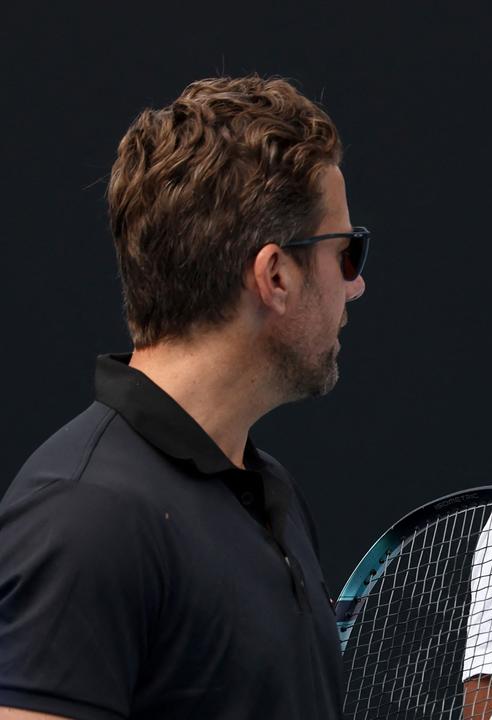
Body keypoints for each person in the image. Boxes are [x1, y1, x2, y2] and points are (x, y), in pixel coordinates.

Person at [0, 76, 368, 719]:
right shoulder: (83, 518)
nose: (357, 285)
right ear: (275, 275)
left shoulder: (267, 489)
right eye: (346, 253)